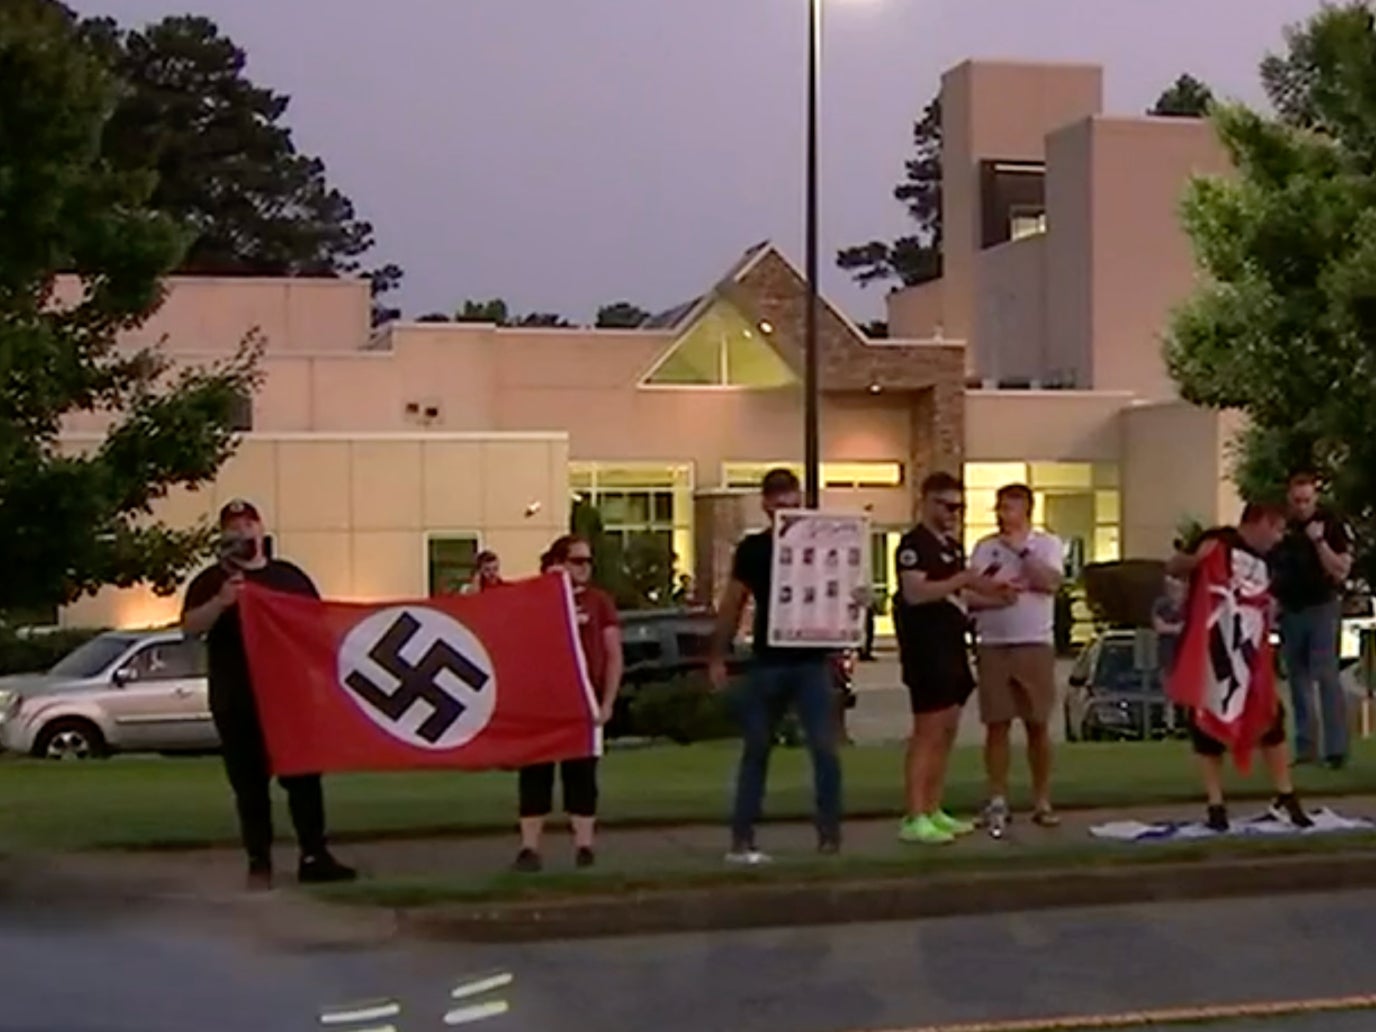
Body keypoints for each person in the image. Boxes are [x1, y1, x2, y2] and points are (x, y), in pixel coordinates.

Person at [181, 499, 356, 890]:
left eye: (248, 524)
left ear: (261, 530)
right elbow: (190, 627)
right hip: (237, 697)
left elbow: (317, 625)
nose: (242, 532)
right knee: (249, 785)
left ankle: (315, 854)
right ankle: (259, 861)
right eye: (234, 527)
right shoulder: (212, 581)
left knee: (304, 780)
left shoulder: (289, 577)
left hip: (289, 696)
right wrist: (222, 602)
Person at [709, 468, 843, 863]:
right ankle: (743, 835)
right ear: (766, 504)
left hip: (810, 660)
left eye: (792, 500)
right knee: (757, 746)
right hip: (770, 658)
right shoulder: (754, 550)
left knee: (824, 748)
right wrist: (718, 654)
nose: (787, 507)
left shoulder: (820, 546)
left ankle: (829, 834)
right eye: (779, 501)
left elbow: (839, 589)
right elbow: (733, 602)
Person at [1166, 503, 1313, 832]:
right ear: (1260, 522)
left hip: (1251, 651)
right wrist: (1196, 561)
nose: (1277, 538)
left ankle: (1286, 794)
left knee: (1269, 719)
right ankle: (1215, 803)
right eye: (1275, 529)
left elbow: (1270, 596)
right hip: (1212, 647)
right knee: (1207, 725)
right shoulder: (1217, 541)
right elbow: (1174, 567)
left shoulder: (1272, 559)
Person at [894, 472, 1013, 845]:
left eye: (959, 507)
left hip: (951, 644)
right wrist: (961, 580)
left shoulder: (950, 546)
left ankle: (933, 807)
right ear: (927, 502)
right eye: (947, 506)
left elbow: (960, 592)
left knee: (948, 728)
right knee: (927, 731)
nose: (953, 514)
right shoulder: (914, 545)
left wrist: (995, 594)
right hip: (924, 647)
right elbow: (916, 592)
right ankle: (914, 815)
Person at [514, 534, 622, 872]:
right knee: (535, 776)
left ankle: (585, 846)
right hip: (542, 704)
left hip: (583, 701)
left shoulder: (599, 601)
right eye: (577, 561)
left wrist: (607, 702)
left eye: (589, 561)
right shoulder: (538, 599)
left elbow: (613, 653)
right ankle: (530, 848)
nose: (585, 568)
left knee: (582, 777)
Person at [968, 484, 1065, 833]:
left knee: (1037, 723)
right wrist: (994, 593)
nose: (1002, 514)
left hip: (1033, 642)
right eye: (999, 507)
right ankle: (997, 798)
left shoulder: (1046, 544)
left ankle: (1042, 799)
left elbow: (1051, 583)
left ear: (1026, 510)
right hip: (993, 643)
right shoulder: (984, 548)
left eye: (1010, 507)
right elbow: (970, 593)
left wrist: (1020, 552)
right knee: (997, 723)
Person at [1270, 472, 1354, 768]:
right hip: (1291, 609)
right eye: (1296, 501)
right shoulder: (1284, 527)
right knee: (1298, 680)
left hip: (1322, 606)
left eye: (1306, 500)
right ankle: (1306, 748)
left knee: (1326, 676)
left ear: (1315, 498)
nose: (1302, 506)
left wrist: (1319, 542)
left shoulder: (1330, 525)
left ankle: (1335, 749)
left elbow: (1341, 570)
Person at [1151, 575, 1187, 677]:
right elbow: (1159, 627)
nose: (1174, 590)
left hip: (1187, 657)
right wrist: (1178, 628)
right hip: (1168, 659)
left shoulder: (1190, 605)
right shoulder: (1161, 604)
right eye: (1171, 587)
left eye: (1178, 588)